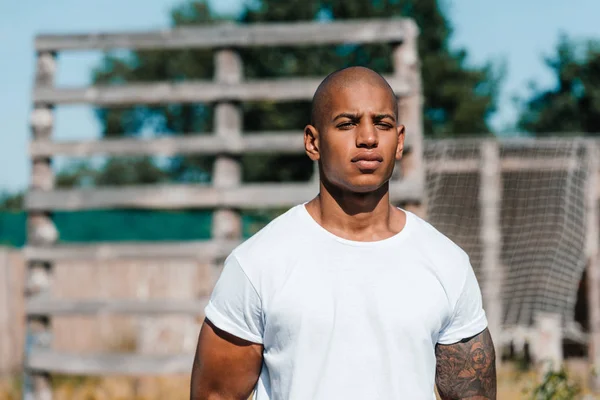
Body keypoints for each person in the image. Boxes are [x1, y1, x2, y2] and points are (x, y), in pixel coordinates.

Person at [190, 66, 496, 400]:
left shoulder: (446, 262)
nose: (368, 138)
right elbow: (214, 395)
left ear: (400, 141)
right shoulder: (258, 264)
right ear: (313, 142)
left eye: (382, 123)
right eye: (347, 123)